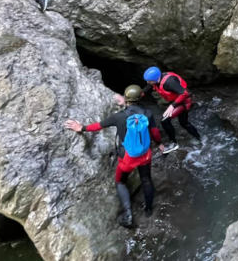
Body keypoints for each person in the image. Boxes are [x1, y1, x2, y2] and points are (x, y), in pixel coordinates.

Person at [64, 85, 164, 228]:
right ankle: (148, 210)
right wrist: (159, 143)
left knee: (120, 182)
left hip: (128, 158)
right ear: (141, 97)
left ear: (126, 99)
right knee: (146, 179)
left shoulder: (119, 117)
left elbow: (99, 125)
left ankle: (128, 215)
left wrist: (82, 128)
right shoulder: (147, 113)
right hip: (145, 154)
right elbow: (154, 132)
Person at [142, 66, 201, 148]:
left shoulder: (169, 82)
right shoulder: (156, 80)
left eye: (149, 81)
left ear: (155, 79)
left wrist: (172, 106)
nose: (148, 82)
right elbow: (149, 86)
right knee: (183, 122)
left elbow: (185, 93)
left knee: (167, 121)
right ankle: (197, 138)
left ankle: (175, 142)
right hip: (177, 101)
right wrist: (142, 93)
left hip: (184, 101)